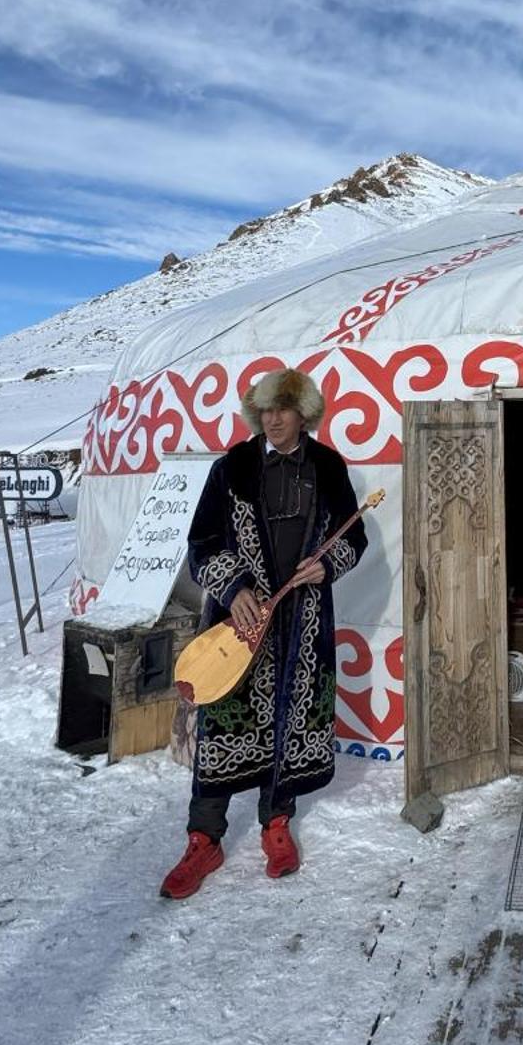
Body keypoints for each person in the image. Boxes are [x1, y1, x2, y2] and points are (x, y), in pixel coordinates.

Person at [160, 368, 367, 900]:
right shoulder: (231, 467)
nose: (273, 420)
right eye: (265, 411)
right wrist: (234, 589)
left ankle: (277, 822)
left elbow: (354, 533)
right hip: (239, 626)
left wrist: (329, 565)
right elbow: (202, 542)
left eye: (284, 410)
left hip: (302, 623)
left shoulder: (327, 465)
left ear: (304, 414)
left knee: (288, 722)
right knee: (221, 727)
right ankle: (204, 838)